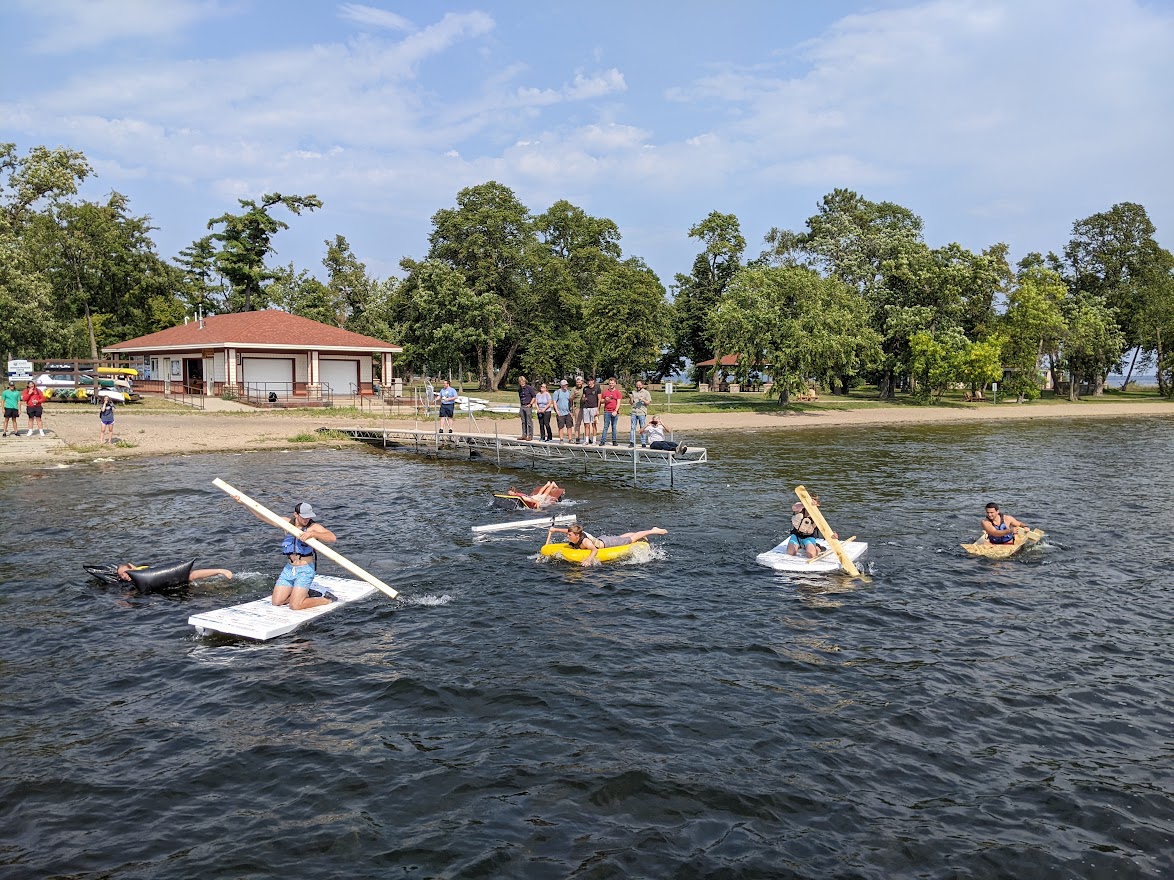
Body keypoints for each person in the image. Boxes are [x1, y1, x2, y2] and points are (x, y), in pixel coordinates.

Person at [235, 498, 338, 610]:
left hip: (305, 570)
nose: (307, 519)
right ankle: (305, 594)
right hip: (289, 569)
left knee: (295, 606)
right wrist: (246, 504)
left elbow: (332, 537)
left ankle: (327, 599)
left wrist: (313, 534)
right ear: (296, 514)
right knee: (277, 602)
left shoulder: (313, 527)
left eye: (309, 516)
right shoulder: (287, 523)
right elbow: (263, 517)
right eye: (304, 516)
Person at [545, 523, 667, 566]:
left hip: (607, 544)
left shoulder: (585, 541)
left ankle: (653, 530)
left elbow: (594, 551)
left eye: (570, 536)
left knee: (632, 539)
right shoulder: (574, 533)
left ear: (577, 536)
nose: (568, 536)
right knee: (621, 537)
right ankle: (640, 533)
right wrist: (554, 530)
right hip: (601, 540)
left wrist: (588, 560)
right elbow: (566, 530)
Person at [116, 562, 233, 584]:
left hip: (166, 579)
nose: (124, 576)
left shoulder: (141, 572)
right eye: (121, 575)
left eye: (125, 572)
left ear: (131, 567)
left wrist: (135, 570)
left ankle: (220, 570)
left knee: (190, 576)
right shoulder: (126, 584)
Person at [599, 377, 623, 446]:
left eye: (612, 383)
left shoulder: (618, 392)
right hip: (607, 411)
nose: (611, 385)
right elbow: (601, 401)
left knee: (614, 426)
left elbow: (618, 402)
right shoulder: (605, 392)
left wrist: (616, 411)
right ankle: (603, 440)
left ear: (615, 383)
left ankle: (614, 441)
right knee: (605, 426)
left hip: (614, 412)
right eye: (610, 383)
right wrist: (605, 400)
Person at [628, 379, 651, 447]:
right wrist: (631, 398)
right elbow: (631, 403)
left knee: (642, 427)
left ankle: (643, 442)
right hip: (634, 412)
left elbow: (648, 403)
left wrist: (643, 399)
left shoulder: (646, 393)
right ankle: (632, 442)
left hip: (642, 412)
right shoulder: (633, 392)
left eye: (639, 385)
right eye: (637, 385)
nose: (638, 386)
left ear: (642, 385)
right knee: (632, 427)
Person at [580, 377, 600, 445]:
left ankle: (594, 440)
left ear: (593, 381)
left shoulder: (597, 388)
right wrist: (583, 399)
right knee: (586, 424)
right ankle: (586, 440)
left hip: (594, 408)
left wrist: (598, 409)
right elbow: (583, 397)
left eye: (590, 381)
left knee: (594, 424)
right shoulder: (585, 388)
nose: (589, 382)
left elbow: (599, 399)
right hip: (586, 408)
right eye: (588, 381)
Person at [552, 378, 573, 443]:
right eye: (564, 385)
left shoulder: (569, 392)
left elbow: (571, 401)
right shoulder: (557, 392)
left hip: (568, 412)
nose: (565, 386)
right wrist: (557, 410)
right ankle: (561, 439)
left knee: (569, 426)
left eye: (566, 385)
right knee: (561, 426)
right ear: (561, 385)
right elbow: (554, 402)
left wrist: (571, 411)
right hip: (560, 413)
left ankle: (570, 439)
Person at [518, 375, 535, 440]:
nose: (522, 383)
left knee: (529, 422)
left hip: (528, 406)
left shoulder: (529, 388)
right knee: (523, 421)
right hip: (522, 406)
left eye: (523, 381)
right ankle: (524, 435)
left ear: (524, 381)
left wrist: (530, 404)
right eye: (520, 381)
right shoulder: (519, 389)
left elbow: (534, 396)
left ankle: (530, 436)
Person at [570, 376, 586, 442]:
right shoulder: (573, 389)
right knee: (577, 423)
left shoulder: (585, 388)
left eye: (580, 382)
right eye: (577, 382)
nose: (579, 383)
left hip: (585, 407)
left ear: (582, 382)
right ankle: (577, 437)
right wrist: (574, 395)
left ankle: (587, 438)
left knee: (587, 423)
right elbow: (570, 399)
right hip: (577, 407)